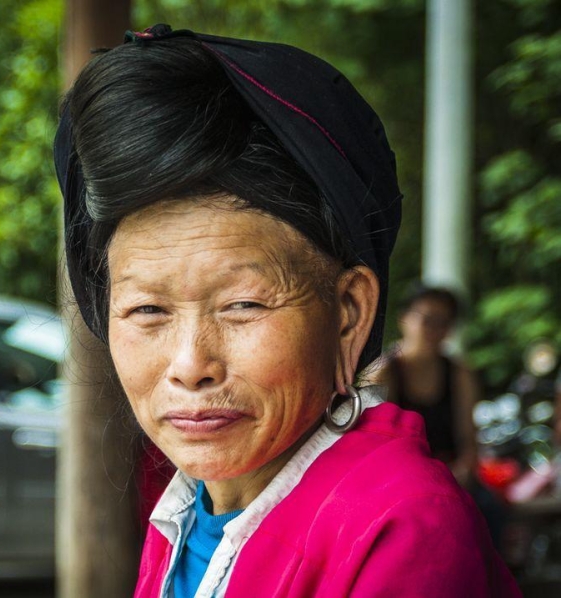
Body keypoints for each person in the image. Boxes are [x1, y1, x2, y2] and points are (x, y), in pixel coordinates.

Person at [54, 24, 520, 597]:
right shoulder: (188, 510)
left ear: (348, 312)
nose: (190, 364)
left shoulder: (401, 527)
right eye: (148, 308)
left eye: (243, 304)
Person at [373, 286, 479, 486]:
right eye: (427, 319)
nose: (434, 329)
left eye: (443, 322)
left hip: (451, 478)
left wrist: (460, 472)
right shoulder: (383, 373)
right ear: (404, 319)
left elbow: (469, 441)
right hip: (399, 479)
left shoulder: (460, 374)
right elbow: (377, 442)